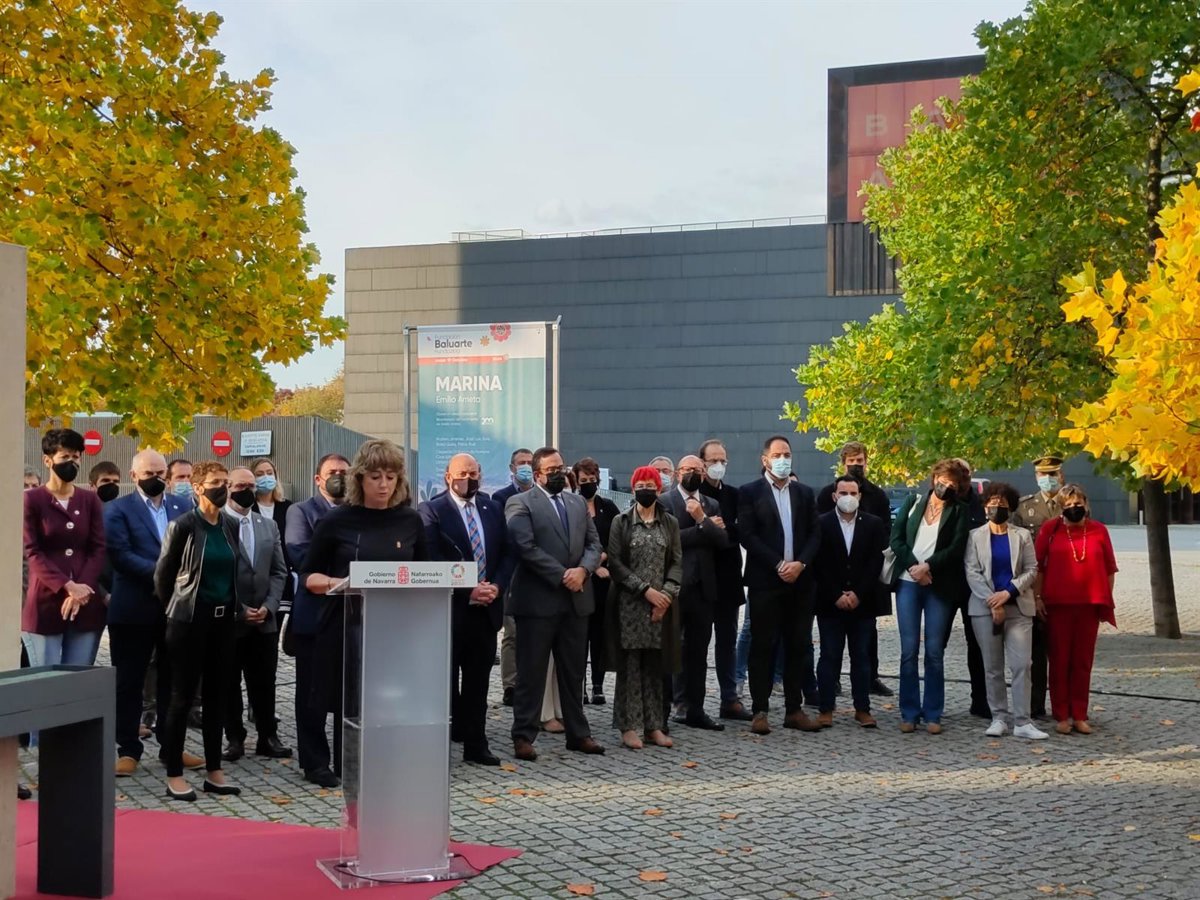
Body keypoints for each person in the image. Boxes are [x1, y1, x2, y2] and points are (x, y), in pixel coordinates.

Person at [302, 439, 427, 776]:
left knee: (386, 699)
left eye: (391, 477)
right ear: (359, 479)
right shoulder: (336, 520)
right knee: (345, 699)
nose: (384, 485)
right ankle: (345, 768)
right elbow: (308, 576)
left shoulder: (410, 520)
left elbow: (425, 571)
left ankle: (383, 763)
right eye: (375, 477)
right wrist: (340, 582)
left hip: (394, 627)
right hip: (345, 624)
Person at [505, 446, 604, 761]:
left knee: (573, 672)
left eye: (562, 468)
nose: (560, 474)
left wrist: (583, 570)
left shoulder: (577, 502)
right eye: (552, 470)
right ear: (537, 475)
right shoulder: (521, 503)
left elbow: (594, 543)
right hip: (538, 602)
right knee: (531, 672)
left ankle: (578, 733)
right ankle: (524, 734)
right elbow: (526, 547)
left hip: (576, 600)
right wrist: (563, 575)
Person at [153, 461, 242, 801]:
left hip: (223, 620)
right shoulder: (183, 525)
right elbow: (164, 575)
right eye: (216, 482)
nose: (223, 487)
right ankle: (174, 773)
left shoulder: (230, 525)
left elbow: (235, 569)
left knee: (218, 696)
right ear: (198, 487)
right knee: (182, 697)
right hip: (189, 620)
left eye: (226, 482)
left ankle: (214, 771)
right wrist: (174, 610)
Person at [106, 449, 197, 776]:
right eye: (149, 474)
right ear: (134, 476)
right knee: (129, 682)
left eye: (160, 473)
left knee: (172, 681)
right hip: (133, 609)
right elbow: (120, 555)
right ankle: (128, 749)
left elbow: (194, 547)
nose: (156, 479)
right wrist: (166, 574)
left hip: (175, 610)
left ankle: (171, 746)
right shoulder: (117, 509)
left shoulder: (184, 505)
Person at [419, 453, 513, 766]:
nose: (468, 479)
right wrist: (467, 588)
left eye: (473, 473)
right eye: (462, 474)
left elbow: (507, 553)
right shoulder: (433, 510)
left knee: (478, 682)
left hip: (486, 610)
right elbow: (431, 557)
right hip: (450, 609)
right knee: (445, 682)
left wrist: (496, 587)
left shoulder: (492, 508)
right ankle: (441, 742)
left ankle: (476, 744)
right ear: (448, 477)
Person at [737, 435, 822, 735]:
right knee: (763, 645)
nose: (783, 459)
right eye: (777, 455)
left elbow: (815, 533)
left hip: (800, 582)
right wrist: (778, 564)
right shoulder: (749, 492)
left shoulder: (804, 493)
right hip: (765, 581)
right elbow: (748, 535)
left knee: (798, 645)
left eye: (787, 454)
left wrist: (801, 564)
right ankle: (760, 710)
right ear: (765, 460)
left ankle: (793, 709)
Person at [604, 467, 682, 750]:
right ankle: (628, 726)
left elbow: (676, 562)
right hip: (630, 604)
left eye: (651, 484)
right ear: (633, 488)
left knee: (655, 666)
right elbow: (615, 563)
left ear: (659, 489)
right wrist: (646, 591)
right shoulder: (621, 521)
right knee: (630, 666)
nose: (646, 489)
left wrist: (666, 596)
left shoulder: (669, 522)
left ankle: (654, 726)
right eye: (641, 484)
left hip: (661, 606)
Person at [890, 459, 970, 734]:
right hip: (908, 582)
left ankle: (933, 713)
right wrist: (915, 567)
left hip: (939, 584)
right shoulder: (913, 502)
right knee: (908, 650)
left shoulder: (959, 511)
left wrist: (929, 566)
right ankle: (909, 712)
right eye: (943, 480)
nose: (946, 486)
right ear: (934, 478)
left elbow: (957, 548)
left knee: (934, 651)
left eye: (952, 483)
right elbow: (896, 539)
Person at [285, 452, 350, 788]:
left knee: (347, 694)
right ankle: (315, 763)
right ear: (318, 479)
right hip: (315, 616)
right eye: (332, 472)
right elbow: (300, 555)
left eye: (344, 472)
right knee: (312, 694)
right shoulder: (301, 511)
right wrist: (345, 573)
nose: (339, 476)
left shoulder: (358, 512)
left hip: (353, 616)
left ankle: (346, 759)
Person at [965, 482, 1048, 740]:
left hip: (1019, 607)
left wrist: (1008, 592)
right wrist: (994, 601)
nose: (997, 507)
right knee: (992, 667)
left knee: (1022, 664)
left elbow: (1032, 569)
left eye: (1002, 503)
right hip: (984, 608)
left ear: (1010, 507)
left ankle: (1023, 721)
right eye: (992, 503)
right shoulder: (974, 536)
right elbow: (972, 571)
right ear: (985, 506)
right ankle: (999, 717)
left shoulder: (1021, 535)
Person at [1035, 484, 1117, 735]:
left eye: (1077, 503)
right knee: (1059, 661)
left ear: (1086, 504)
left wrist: (1106, 598)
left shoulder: (1099, 530)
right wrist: (1037, 597)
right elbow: (1038, 567)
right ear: (1061, 508)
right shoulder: (1050, 529)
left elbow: (1109, 568)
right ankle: (1061, 714)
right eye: (1068, 505)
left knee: (1082, 662)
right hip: (1057, 605)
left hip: (1089, 605)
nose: (1073, 507)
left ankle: (1080, 714)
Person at [222, 467, 291, 762]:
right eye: (240, 486)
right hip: (230, 620)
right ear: (227, 487)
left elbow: (279, 571)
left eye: (251, 486)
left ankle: (267, 736)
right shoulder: (215, 524)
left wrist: (270, 606)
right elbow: (213, 574)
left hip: (265, 620)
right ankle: (234, 738)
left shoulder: (268, 525)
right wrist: (239, 609)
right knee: (229, 681)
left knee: (264, 681)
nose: (247, 491)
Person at [22, 428, 107, 669]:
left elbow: (97, 548)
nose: (72, 462)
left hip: (86, 604)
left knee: (77, 679)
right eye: (65, 456)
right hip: (45, 602)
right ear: (48, 460)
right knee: (45, 679)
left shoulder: (89, 500)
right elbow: (32, 551)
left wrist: (82, 590)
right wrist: (68, 586)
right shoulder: (32, 499)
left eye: (76, 457)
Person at [815, 441, 894, 697]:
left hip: (866, 581)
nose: (856, 465)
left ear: (866, 462)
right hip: (834, 580)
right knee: (831, 643)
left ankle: (871, 679)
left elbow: (885, 537)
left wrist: (861, 588)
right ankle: (832, 683)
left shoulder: (878, 495)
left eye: (860, 461)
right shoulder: (827, 494)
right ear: (843, 464)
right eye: (851, 462)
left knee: (867, 638)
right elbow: (819, 539)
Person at [659, 455, 729, 730]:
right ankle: (663, 711)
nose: (694, 474)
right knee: (670, 650)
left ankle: (696, 709)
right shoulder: (665, 502)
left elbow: (722, 541)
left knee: (699, 652)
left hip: (704, 589)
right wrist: (705, 526)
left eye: (698, 470)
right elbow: (668, 540)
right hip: (675, 586)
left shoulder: (711, 504)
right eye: (689, 469)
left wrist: (702, 518)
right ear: (678, 473)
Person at [696, 439, 753, 722]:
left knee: (727, 640)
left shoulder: (734, 494)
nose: (718, 465)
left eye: (723, 461)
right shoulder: (694, 495)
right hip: (700, 578)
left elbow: (741, 531)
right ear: (702, 463)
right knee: (695, 641)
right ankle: (688, 701)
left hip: (728, 577)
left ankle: (729, 698)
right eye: (713, 461)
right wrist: (712, 528)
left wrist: (717, 529)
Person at [1012, 454, 1066, 719]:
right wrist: (1031, 592)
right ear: (1036, 477)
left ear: (1061, 475)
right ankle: (1035, 706)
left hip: (1066, 586)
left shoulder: (1072, 503)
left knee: (1064, 652)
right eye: (1043, 475)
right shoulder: (1025, 508)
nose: (1048, 479)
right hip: (1034, 588)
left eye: (1053, 474)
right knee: (1035, 651)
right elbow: (1018, 555)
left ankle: (1064, 705)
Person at [574, 458, 620, 705]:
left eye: (592, 480)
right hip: (581, 580)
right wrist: (591, 567)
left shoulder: (608, 507)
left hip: (604, 582)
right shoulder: (571, 505)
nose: (588, 484)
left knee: (599, 635)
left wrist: (604, 560)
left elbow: (618, 540)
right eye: (584, 480)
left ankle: (598, 685)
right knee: (580, 636)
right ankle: (578, 685)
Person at [493, 447, 534, 707]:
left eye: (530, 462)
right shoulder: (501, 497)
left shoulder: (541, 495)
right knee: (512, 632)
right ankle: (510, 684)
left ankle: (530, 682)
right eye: (521, 463)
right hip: (513, 572)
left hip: (537, 573)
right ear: (512, 468)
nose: (526, 467)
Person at [250, 456, 294, 633]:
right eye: (260, 474)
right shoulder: (248, 508)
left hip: (281, 576)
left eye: (269, 473)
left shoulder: (288, 508)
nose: (265, 477)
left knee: (277, 629)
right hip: (255, 576)